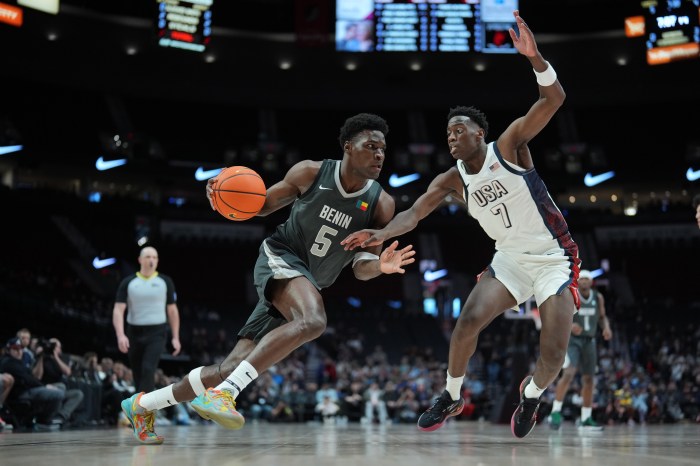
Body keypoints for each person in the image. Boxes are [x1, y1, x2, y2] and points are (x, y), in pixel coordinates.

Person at [341, 10, 581, 439]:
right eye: (447, 132)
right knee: (467, 320)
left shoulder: (508, 146)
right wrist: (379, 234)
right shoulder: (451, 180)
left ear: (479, 133)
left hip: (552, 258)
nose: (451, 136)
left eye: (459, 129)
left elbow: (553, 101)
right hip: (509, 260)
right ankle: (452, 394)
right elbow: (414, 214)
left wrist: (535, 58)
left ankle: (531, 394)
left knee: (554, 355)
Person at [120, 112, 416, 444]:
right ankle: (225, 394)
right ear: (348, 146)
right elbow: (259, 206)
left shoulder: (381, 204)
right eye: (371, 146)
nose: (379, 155)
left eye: (383, 149)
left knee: (228, 367)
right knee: (314, 320)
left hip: (305, 284)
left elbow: (361, 268)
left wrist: (381, 267)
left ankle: (143, 404)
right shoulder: (311, 171)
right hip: (281, 257)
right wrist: (223, 195)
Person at [112, 246, 182, 394]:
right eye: (148, 257)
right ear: (140, 260)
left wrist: (176, 337)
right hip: (134, 331)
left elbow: (172, 311)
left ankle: (146, 410)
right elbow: (118, 310)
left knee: (148, 368)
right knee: (137, 372)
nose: (151, 260)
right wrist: (120, 335)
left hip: (156, 332)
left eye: (154, 257)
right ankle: (139, 409)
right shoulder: (128, 282)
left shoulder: (165, 281)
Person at [548, 269, 612, 431]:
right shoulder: (571, 295)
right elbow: (561, 317)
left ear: (591, 282)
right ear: (578, 281)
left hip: (589, 341)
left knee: (589, 379)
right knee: (569, 373)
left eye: (586, 279)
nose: (583, 281)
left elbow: (603, 317)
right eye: (581, 279)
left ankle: (586, 418)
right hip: (573, 341)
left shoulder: (598, 297)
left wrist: (606, 328)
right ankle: (555, 412)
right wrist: (570, 325)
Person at [33, 337, 85, 426]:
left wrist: (55, 357)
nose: (55, 348)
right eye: (53, 346)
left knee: (78, 394)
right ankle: (50, 416)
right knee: (61, 386)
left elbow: (67, 372)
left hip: (60, 389)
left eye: (56, 347)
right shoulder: (41, 357)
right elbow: (37, 376)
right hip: (45, 387)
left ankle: (60, 417)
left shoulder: (61, 358)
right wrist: (41, 357)